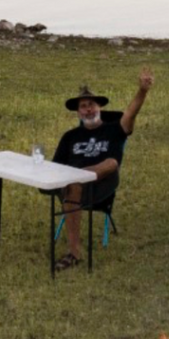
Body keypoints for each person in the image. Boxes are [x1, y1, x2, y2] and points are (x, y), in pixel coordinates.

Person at [52, 70, 153, 269]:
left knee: (110, 163)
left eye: (91, 105)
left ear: (99, 107)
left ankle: (80, 177)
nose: (88, 110)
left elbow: (131, 113)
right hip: (73, 187)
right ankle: (74, 253)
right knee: (72, 183)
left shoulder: (115, 128)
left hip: (103, 182)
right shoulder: (69, 136)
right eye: (83, 106)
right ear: (78, 112)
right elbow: (56, 166)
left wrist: (142, 90)